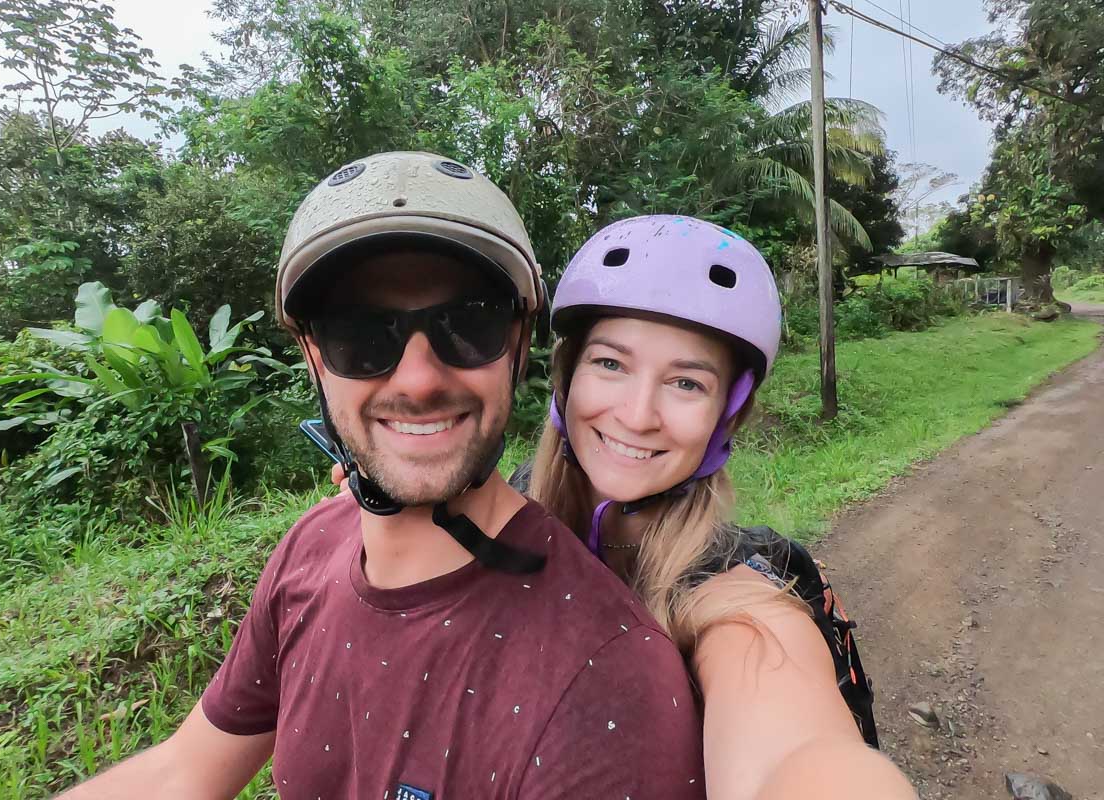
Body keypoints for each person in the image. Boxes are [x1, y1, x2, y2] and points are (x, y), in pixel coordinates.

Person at [56, 153, 705, 799]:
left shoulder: (608, 682)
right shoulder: (309, 550)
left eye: (467, 322)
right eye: (360, 334)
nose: (418, 380)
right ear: (314, 357)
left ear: (517, 341)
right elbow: (184, 771)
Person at [523, 215, 917, 799]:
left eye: (686, 383)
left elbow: (798, 751)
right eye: (610, 364)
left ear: (727, 415)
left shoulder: (733, 585)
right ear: (566, 375)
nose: (637, 414)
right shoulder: (507, 513)